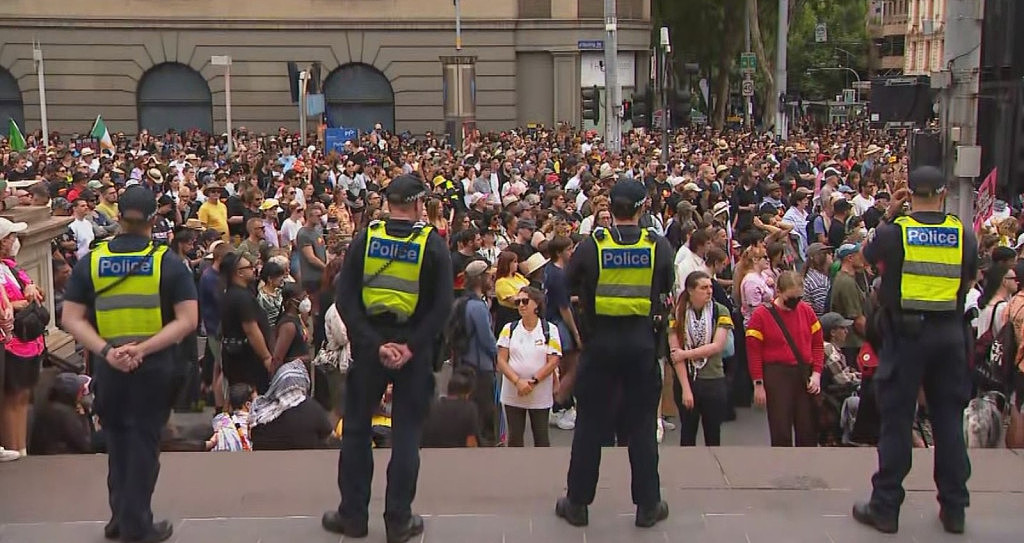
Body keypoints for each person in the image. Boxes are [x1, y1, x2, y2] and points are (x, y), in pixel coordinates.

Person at [60, 185, 198, 543]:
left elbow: (71, 318)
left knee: (118, 442)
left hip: (109, 367)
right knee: (143, 445)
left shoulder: (93, 259)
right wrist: (143, 349)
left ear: (118, 217)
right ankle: (137, 524)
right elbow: (187, 320)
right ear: (154, 218)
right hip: (153, 367)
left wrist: (107, 352)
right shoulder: (165, 261)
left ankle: (119, 517)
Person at [322, 174, 453, 543]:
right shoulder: (432, 245)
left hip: (370, 348)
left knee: (358, 431)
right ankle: (398, 520)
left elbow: (345, 298)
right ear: (417, 204)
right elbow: (443, 306)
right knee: (407, 432)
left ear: (388, 202)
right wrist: (411, 347)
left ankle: (353, 518)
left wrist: (374, 343)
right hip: (414, 348)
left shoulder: (367, 238)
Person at [852, 166, 978, 535]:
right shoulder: (961, 233)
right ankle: (954, 509)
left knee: (896, 421)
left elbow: (864, 254)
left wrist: (891, 213)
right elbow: (968, 279)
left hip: (905, 337)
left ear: (909, 193)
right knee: (948, 422)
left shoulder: (895, 232)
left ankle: (886, 508)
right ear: (942, 193)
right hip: (949, 335)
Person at [555, 180, 674, 529]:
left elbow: (565, 282)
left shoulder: (594, 244)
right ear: (641, 209)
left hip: (600, 343)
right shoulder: (658, 245)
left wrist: (587, 305)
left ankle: (577, 503)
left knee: (590, 425)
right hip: (640, 343)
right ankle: (648, 505)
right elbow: (666, 285)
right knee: (640, 426)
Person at [745, 270, 824, 447]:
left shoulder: (806, 311)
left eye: (799, 297)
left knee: (807, 429)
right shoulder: (761, 316)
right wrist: (758, 384)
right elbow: (754, 352)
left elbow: (818, 344)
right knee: (780, 429)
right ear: (778, 292)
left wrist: (817, 373)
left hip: (804, 372)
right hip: (777, 374)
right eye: (791, 298)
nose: (795, 302)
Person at [668, 270, 734, 447]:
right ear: (691, 290)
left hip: (713, 380)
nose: (709, 291)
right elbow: (675, 355)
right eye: (703, 288)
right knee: (688, 433)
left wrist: (686, 354)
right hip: (687, 380)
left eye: (710, 287)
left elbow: (717, 346)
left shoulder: (720, 311)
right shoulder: (678, 313)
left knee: (713, 434)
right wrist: (686, 389)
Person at [0, 217, 45, 463]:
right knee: (12, 398)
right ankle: (13, 446)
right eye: (10, 238)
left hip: (30, 341)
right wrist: (22, 301)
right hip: (11, 342)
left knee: (24, 396)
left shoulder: (11, 266)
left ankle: (23, 447)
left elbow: (37, 292)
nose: (14, 242)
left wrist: (32, 290)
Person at [496, 286, 562, 447]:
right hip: (513, 392)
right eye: (518, 302)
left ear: (537, 305)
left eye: (525, 301)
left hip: (539, 393)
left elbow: (553, 360)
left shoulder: (549, 330)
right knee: (515, 438)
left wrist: (533, 381)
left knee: (541, 437)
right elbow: (501, 359)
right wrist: (518, 381)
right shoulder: (509, 329)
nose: (521, 305)